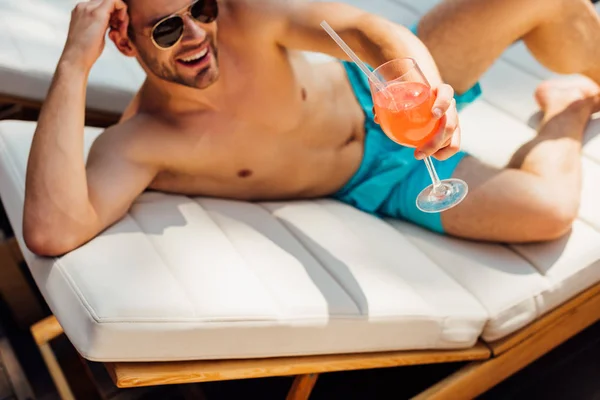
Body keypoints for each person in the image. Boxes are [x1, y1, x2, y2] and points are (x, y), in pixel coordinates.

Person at [23, 0, 600, 256]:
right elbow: (52, 230)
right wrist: (75, 59)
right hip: (381, 181)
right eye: (167, 29)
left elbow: (370, 31)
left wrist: (423, 89)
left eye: (200, 8)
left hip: (379, 96)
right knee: (547, 211)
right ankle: (565, 110)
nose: (197, 32)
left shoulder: (248, 14)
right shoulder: (143, 140)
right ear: (123, 40)